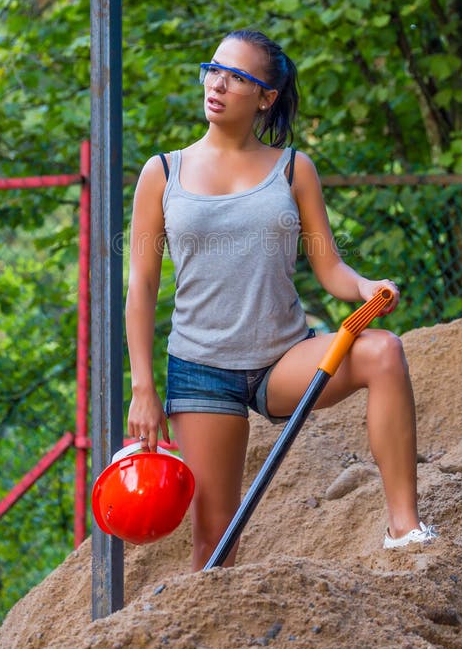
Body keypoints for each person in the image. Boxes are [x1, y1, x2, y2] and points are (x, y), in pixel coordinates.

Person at [125, 29, 437, 570]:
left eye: (236, 76)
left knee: (383, 352)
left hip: (283, 358)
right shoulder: (163, 172)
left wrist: (366, 288)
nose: (217, 84)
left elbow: (330, 267)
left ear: (265, 96)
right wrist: (143, 387)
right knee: (214, 546)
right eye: (213, 69)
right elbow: (143, 286)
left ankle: (404, 529)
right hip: (200, 372)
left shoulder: (294, 169)